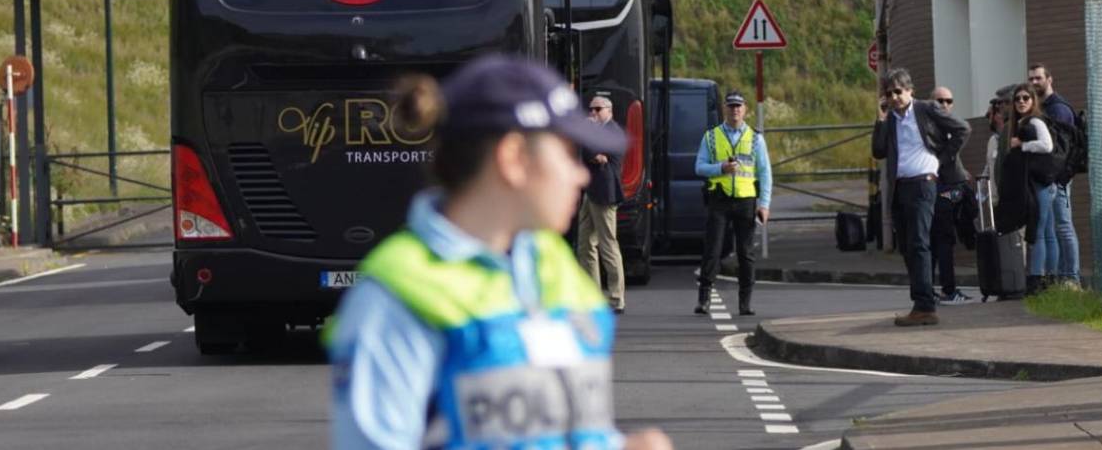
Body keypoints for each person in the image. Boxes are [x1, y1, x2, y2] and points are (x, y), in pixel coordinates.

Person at [324, 54, 673, 450]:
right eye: (564, 153)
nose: (578, 173)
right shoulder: (398, 296)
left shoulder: (554, 264)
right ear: (513, 159)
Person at [872, 69, 970, 327]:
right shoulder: (891, 118)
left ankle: (925, 305)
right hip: (900, 187)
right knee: (906, 245)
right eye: (889, 93)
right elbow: (879, 151)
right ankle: (921, 302)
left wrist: (941, 159)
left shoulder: (926, 109)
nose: (894, 97)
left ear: (910, 90)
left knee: (918, 242)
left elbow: (962, 129)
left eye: (898, 92)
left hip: (923, 184)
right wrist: (880, 120)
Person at [693, 90, 772, 317]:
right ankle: (704, 298)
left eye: (738, 106)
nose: (735, 110)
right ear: (725, 110)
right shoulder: (711, 137)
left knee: (746, 253)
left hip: (746, 200)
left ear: (745, 110)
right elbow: (699, 167)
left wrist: (764, 204)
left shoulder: (756, 139)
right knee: (713, 249)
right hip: (719, 198)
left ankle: (745, 302)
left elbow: (765, 173)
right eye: (731, 106)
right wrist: (720, 168)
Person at [1027, 64, 1081, 288]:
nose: (1034, 83)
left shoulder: (1058, 109)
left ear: (1050, 79)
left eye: (1038, 78)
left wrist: (1057, 176)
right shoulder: (1043, 108)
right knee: (1052, 228)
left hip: (1058, 179)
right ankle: (1060, 277)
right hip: (1050, 179)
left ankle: (1071, 278)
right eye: (1031, 79)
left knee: (1063, 227)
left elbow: (1062, 149)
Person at [1005, 83, 1058, 295]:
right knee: (1046, 231)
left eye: (1026, 98)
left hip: (1041, 183)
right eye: (1017, 99)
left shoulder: (1035, 120)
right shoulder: (1021, 122)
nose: (1021, 102)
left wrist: (1022, 145)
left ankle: (1037, 278)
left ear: (1033, 100)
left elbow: (1047, 145)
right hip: (1040, 183)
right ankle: (1050, 278)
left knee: (1038, 230)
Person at [577, 95, 626, 315]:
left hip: (604, 195)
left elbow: (589, 151)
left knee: (608, 245)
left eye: (598, 109)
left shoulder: (613, 132)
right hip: (592, 192)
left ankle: (616, 298)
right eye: (591, 109)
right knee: (585, 243)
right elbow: (586, 152)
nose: (593, 114)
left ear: (609, 110)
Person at [928, 87, 971, 304]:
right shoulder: (931, 127)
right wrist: (941, 163)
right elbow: (963, 133)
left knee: (942, 240)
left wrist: (962, 174)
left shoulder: (946, 125)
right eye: (939, 101)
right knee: (943, 239)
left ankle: (938, 289)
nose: (944, 105)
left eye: (948, 101)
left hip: (952, 186)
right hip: (942, 189)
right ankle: (948, 289)